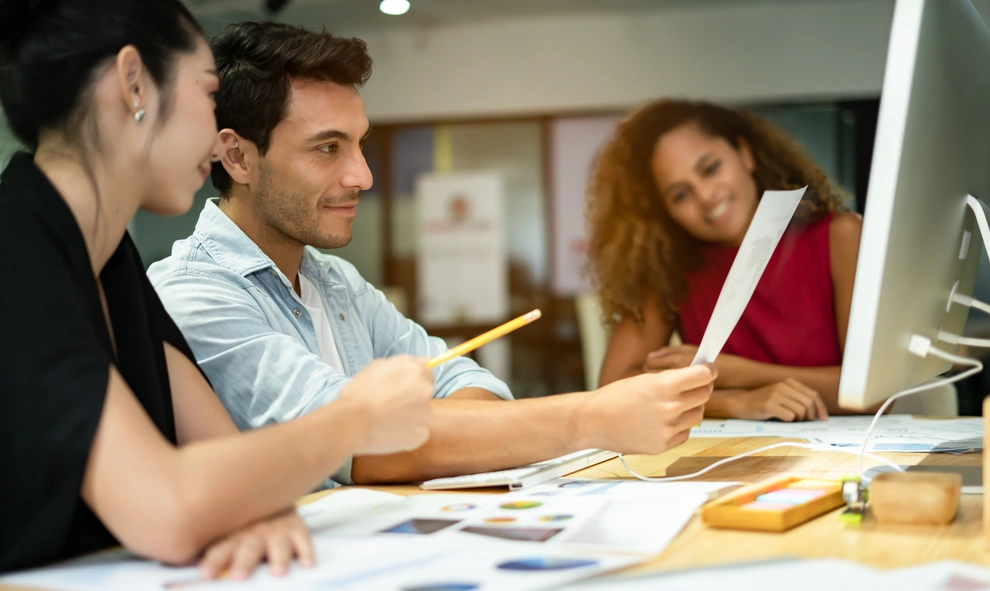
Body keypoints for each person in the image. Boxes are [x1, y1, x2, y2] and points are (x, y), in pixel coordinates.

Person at [148, 22, 716, 486]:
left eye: (360, 144)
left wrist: (432, 432)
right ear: (239, 159)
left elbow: (466, 382)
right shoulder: (191, 295)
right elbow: (348, 445)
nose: (363, 175)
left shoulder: (335, 282)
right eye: (327, 148)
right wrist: (592, 419)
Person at [0, 0, 436, 577]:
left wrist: (250, 502)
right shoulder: (18, 248)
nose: (216, 142)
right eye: (208, 96)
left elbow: (220, 455)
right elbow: (169, 506)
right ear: (133, 84)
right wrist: (356, 419)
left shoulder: (110, 258)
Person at [588, 99, 866, 422]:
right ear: (664, 212)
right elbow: (612, 386)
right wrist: (736, 403)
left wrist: (727, 373)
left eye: (710, 169)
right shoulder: (672, 271)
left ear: (744, 153)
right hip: (730, 459)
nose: (705, 197)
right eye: (680, 194)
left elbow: (872, 393)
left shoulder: (840, 236)